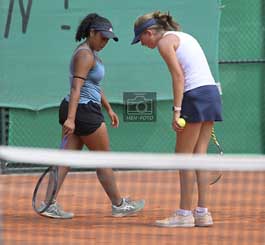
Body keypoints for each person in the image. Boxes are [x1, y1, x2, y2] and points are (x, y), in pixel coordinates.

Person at [41, 13, 145, 219]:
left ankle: (48, 204)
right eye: (102, 37)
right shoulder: (85, 55)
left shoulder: (91, 53)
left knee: (64, 160)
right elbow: (76, 89)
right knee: (103, 159)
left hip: (82, 110)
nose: (105, 42)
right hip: (83, 111)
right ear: (92, 33)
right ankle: (119, 205)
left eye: (108, 39)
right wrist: (71, 118)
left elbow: (94, 85)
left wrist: (108, 108)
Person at [131, 11, 222, 227]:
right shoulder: (186, 36)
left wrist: (176, 111)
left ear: (149, 32)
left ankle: (184, 214)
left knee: (183, 158)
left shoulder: (165, 43)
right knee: (198, 155)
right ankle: (202, 213)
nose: (142, 44)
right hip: (211, 93)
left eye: (140, 39)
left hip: (195, 95)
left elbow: (178, 77)